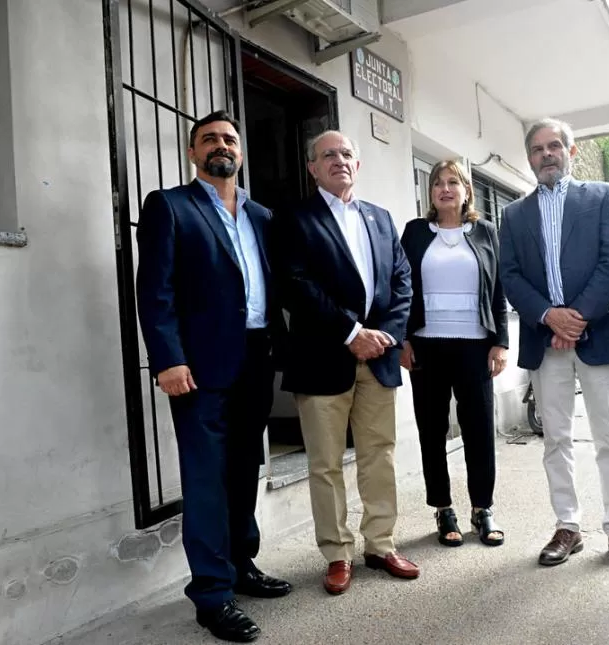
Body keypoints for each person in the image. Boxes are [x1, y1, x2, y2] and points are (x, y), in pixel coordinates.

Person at [135, 111, 291, 643]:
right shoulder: (169, 207)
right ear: (192, 152)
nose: (220, 146)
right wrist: (168, 359)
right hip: (197, 366)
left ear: (240, 154)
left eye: (229, 139)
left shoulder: (263, 216)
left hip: (254, 357)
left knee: (245, 469)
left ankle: (241, 566)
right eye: (209, 139)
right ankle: (211, 594)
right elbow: (154, 291)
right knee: (206, 478)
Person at [499, 118, 609, 573]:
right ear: (529, 158)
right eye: (538, 149)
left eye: (554, 146)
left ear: (571, 150)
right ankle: (568, 526)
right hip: (546, 341)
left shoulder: (602, 196)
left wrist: (577, 318)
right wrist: (550, 316)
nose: (547, 154)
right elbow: (511, 276)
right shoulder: (514, 214)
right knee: (556, 438)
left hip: (598, 332)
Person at [276, 130, 416, 595]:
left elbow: (402, 282)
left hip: (378, 359)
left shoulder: (379, 217)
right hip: (321, 359)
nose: (339, 160)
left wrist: (385, 337)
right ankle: (337, 553)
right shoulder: (294, 217)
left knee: (380, 455)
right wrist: (351, 332)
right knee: (325, 463)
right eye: (328, 154)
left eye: (347, 154)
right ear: (312, 167)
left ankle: (381, 544)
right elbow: (295, 284)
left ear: (358, 165)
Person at [399, 160, 509, 548]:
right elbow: (399, 287)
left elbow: (498, 290)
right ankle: (443, 507)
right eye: (437, 184)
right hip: (426, 345)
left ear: (466, 191)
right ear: (430, 193)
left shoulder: (486, 233)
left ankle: (483, 507)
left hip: (475, 344)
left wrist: (501, 341)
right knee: (431, 428)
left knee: (479, 427)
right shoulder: (414, 232)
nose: (445, 189)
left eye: (453, 183)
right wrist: (403, 338)